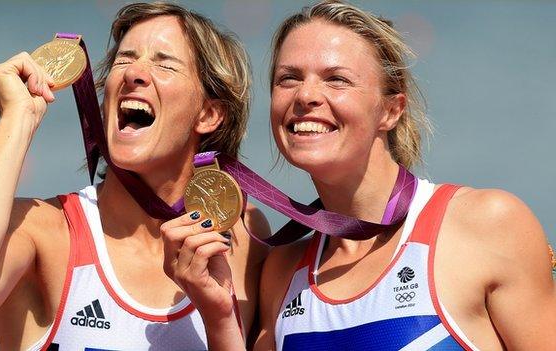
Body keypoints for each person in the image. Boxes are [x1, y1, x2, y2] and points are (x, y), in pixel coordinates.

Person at [163, 1, 556, 350]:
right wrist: (219, 318)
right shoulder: (282, 274)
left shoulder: (486, 225)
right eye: (289, 78)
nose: (305, 96)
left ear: (391, 110)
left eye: (336, 79)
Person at [0, 2, 269, 350]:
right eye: (124, 59)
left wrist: (220, 319)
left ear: (209, 114)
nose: (133, 73)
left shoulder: (241, 236)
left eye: (164, 62)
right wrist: (18, 118)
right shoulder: (43, 232)